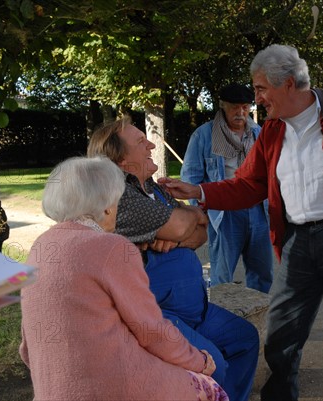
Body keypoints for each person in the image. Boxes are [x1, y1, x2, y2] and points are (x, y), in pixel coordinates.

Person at [160, 44, 323, 401]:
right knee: (280, 337)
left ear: (289, 84)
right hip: (297, 242)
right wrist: (198, 190)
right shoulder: (274, 130)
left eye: (261, 89)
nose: (257, 99)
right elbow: (249, 184)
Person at [19, 156, 227, 401]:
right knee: (211, 388)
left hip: (52, 391)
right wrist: (199, 361)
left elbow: (26, 347)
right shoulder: (112, 247)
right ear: (107, 206)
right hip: (115, 388)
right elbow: (152, 330)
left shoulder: (40, 247)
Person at [87, 118, 259, 401]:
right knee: (213, 365)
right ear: (119, 159)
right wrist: (184, 224)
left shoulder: (156, 190)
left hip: (194, 308)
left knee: (244, 339)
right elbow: (183, 225)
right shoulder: (119, 195)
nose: (152, 144)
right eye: (141, 142)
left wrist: (180, 230)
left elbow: (201, 232)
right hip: (158, 314)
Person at [181, 83, 273, 293]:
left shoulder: (259, 133)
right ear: (222, 105)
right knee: (222, 276)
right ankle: (224, 320)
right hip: (224, 212)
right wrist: (200, 210)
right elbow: (190, 177)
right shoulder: (204, 135)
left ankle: (259, 320)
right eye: (234, 107)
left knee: (263, 273)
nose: (240, 112)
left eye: (245, 107)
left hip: (259, 210)